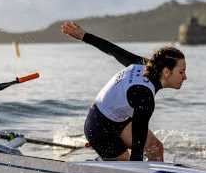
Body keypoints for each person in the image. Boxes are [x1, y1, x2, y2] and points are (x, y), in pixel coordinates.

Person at [61, 22, 187, 161]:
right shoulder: (144, 97)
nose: (185, 77)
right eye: (181, 72)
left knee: (155, 148)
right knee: (126, 162)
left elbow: (112, 50)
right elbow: (137, 154)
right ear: (166, 72)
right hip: (99, 128)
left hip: (119, 120)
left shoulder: (146, 65)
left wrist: (83, 36)